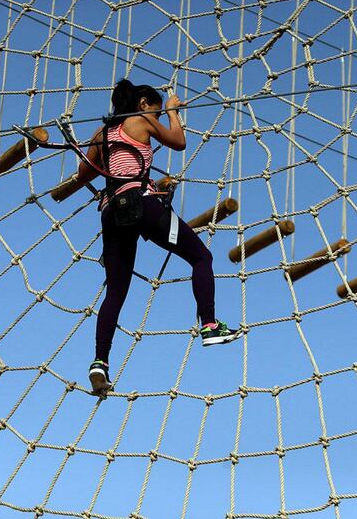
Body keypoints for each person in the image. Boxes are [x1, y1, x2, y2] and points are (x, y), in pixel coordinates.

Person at [83, 79, 240, 397]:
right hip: (142, 204)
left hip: (112, 212)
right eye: (153, 107)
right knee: (201, 257)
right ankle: (209, 324)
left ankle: (100, 362)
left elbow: (84, 173)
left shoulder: (101, 135)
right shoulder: (142, 119)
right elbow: (178, 141)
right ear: (143, 104)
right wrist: (170, 111)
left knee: (115, 292)